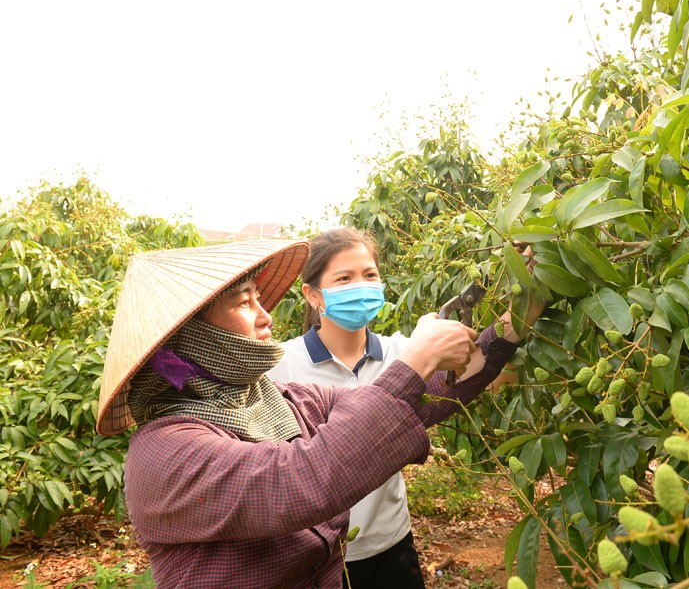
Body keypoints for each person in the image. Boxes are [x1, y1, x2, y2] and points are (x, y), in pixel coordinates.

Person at [95, 238, 537, 588]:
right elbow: (298, 481)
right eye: (244, 303)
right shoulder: (164, 453)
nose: (266, 317)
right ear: (192, 336)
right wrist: (416, 360)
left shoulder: (279, 400)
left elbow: (410, 406)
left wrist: (513, 322)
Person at [266, 227, 542, 589]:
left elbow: (461, 377)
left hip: (389, 546)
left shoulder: (405, 354)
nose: (361, 286)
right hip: (313, 557)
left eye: (369, 275)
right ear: (312, 294)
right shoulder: (279, 365)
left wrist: (522, 304)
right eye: (344, 278)